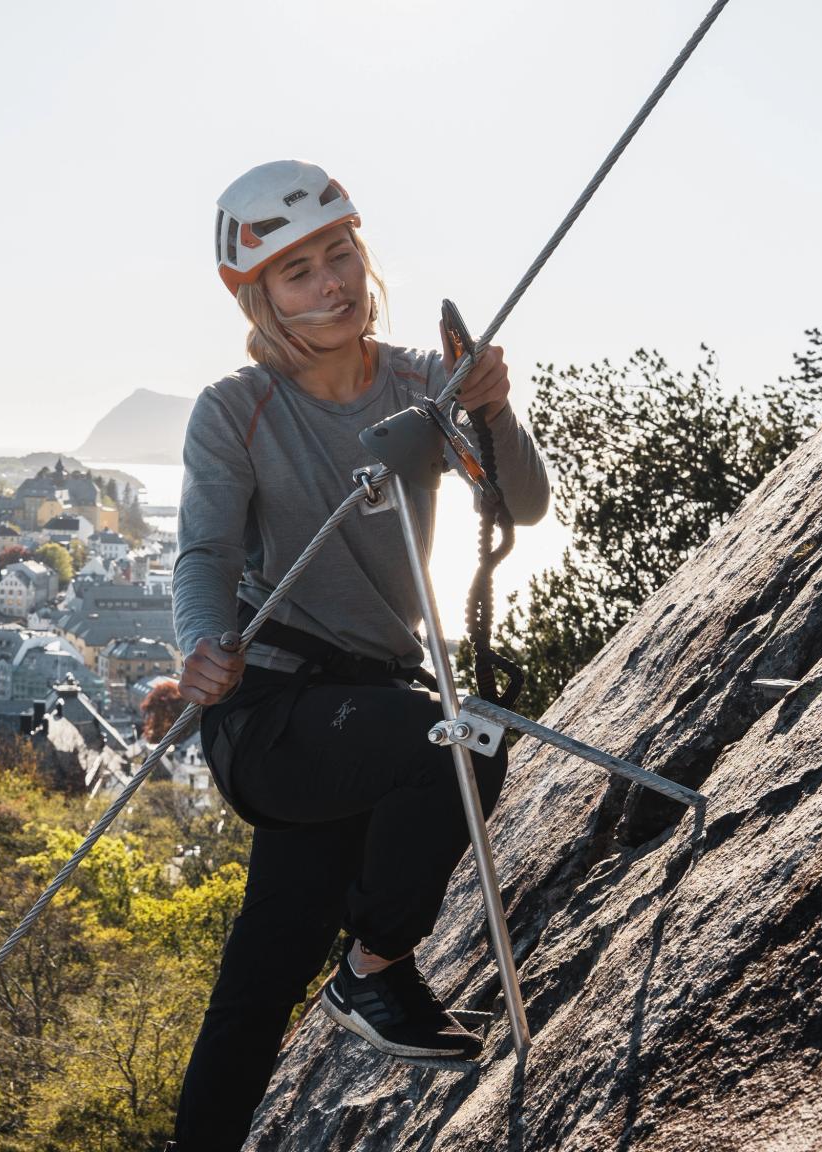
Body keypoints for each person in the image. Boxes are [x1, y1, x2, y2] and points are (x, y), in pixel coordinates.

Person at [168, 160, 552, 1149]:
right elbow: (204, 553)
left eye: (339, 254)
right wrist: (201, 646)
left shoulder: (427, 384)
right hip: (273, 711)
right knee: (453, 747)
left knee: (262, 970)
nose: (328, 282)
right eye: (296, 272)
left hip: (365, 707)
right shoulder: (235, 409)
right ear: (257, 295)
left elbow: (525, 502)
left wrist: (492, 409)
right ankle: (376, 970)